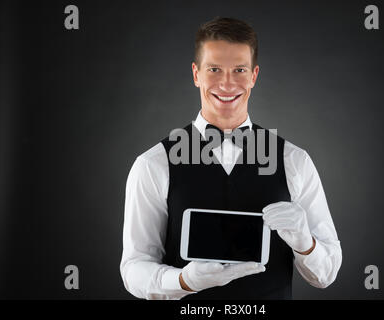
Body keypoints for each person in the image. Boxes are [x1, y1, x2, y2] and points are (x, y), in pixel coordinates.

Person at [120, 16, 342, 300]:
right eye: (214, 69)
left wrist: (305, 244)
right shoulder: (153, 164)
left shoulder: (294, 160)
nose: (227, 83)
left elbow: (326, 274)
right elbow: (133, 269)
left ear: (254, 76)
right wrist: (185, 280)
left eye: (239, 69)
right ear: (196, 73)